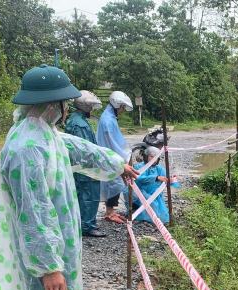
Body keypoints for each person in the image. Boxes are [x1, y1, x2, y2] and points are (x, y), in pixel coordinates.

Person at [0, 65, 138, 290]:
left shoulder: (42, 134)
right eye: (64, 103)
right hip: (46, 252)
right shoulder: (27, 148)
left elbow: (79, 150)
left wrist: (118, 164)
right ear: (51, 104)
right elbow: (34, 212)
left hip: (59, 245)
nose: (66, 109)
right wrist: (48, 268)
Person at [65, 90, 105, 237]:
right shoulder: (79, 124)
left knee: (82, 195)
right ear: (86, 106)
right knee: (89, 195)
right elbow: (83, 148)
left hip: (78, 166)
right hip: (84, 167)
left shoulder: (75, 119)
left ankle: (82, 223)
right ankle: (87, 225)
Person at [96, 91, 133, 224]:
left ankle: (110, 211)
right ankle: (110, 213)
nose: (123, 110)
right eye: (122, 107)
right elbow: (114, 142)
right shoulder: (108, 121)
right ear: (117, 105)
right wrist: (125, 156)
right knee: (114, 183)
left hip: (109, 155)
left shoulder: (109, 117)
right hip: (111, 156)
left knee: (112, 183)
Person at [131, 146, 176, 224]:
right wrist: (156, 178)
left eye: (156, 157)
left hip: (155, 194)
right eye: (151, 156)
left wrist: (172, 180)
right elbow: (139, 178)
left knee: (161, 212)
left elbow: (166, 178)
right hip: (139, 192)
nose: (153, 159)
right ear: (146, 157)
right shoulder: (138, 166)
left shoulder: (159, 168)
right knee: (152, 204)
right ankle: (141, 214)